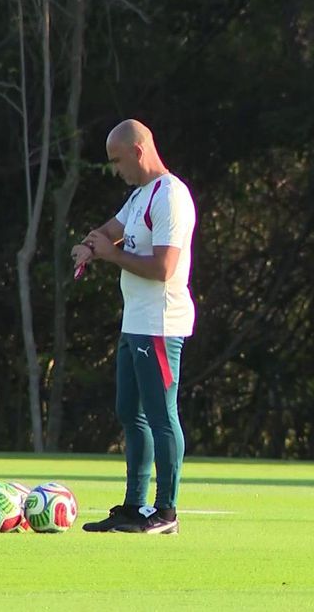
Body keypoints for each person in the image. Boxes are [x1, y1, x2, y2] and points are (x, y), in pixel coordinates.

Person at [73, 119, 196, 534]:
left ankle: (166, 512)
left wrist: (110, 255)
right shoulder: (141, 195)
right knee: (129, 411)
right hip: (135, 322)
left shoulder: (171, 197)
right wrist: (90, 247)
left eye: (117, 160)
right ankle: (134, 507)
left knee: (162, 414)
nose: (115, 169)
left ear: (139, 151)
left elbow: (164, 268)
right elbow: (110, 231)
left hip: (160, 325)